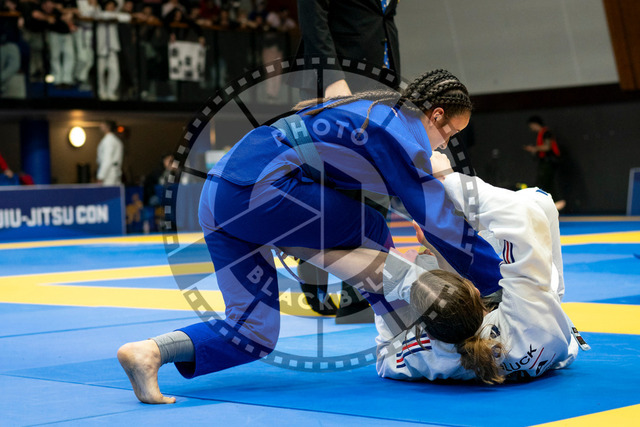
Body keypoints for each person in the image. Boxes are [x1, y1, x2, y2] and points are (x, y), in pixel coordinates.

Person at [117, 69, 504, 404]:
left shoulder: (372, 114)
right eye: (450, 133)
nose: (445, 143)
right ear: (436, 115)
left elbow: (391, 193)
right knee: (370, 226)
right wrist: (496, 286)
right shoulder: (396, 131)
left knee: (254, 333)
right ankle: (405, 334)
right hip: (259, 190)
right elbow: (440, 219)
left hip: (219, 196)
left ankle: (148, 352)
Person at [375, 157, 582, 383]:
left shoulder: (437, 354)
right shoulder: (528, 311)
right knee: (538, 201)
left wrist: (406, 276)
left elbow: (386, 358)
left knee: (410, 273)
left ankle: (427, 260)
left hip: (532, 333)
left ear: (431, 335)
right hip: (538, 322)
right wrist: (449, 178)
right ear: (474, 289)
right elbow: (522, 215)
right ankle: (429, 257)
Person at [294, 0, 402, 321]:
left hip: (380, 84)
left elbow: (381, 18)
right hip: (337, 79)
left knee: (377, 183)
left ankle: (359, 292)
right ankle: (312, 262)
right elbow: (313, 11)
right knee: (333, 185)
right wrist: (331, 76)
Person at [294, 0, 400, 99]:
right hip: (338, 78)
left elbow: (383, 13)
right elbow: (313, 14)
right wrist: (332, 78)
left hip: (384, 78)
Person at [524, 116, 566, 211]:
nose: (531, 128)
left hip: (549, 162)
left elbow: (547, 147)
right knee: (547, 182)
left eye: (531, 126)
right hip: (545, 161)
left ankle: (555, 201)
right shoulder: (542, 133)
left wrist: (534, 148)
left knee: (543, 182)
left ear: (535, 124)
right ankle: (555, 202)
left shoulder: (546, 133)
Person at [96, 120, 123, 185]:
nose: (100, 126)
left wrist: (101, 176)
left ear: (108, 127)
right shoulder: (114, 139)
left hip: (109, 173)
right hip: (113, 171)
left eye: (102, 125)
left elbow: (107, 160)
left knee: (108, 190)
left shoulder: (109, 140)